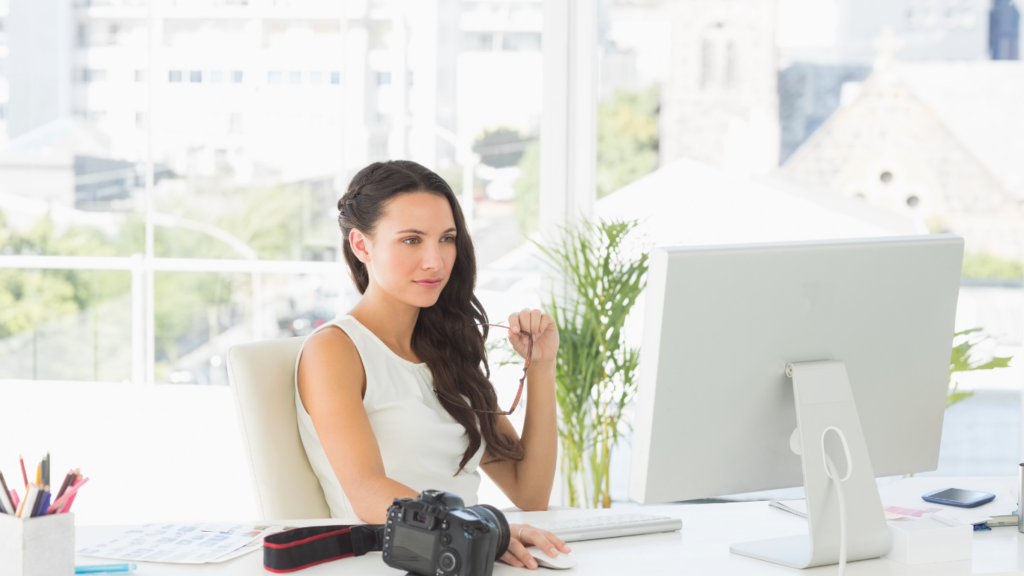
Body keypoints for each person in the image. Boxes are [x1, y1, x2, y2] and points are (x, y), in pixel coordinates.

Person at [295, 160, 571, 570]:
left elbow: (529, 494)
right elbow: (366, 491)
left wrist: (542, 367)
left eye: (446, 239)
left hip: (470, 557)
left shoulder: (448, 352)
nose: (436, 262)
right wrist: (486, 528)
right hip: (393, 561)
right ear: (361, 245)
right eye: (411, 240)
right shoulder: (335, 351)